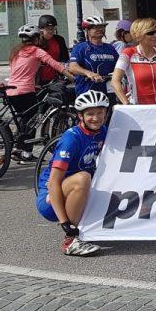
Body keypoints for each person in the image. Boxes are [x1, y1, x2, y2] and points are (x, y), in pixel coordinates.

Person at [35, 91, 109, 257]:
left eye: (100, 113)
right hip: (52, 197)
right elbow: (53, 182)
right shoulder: (71, 139)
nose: (96, 118)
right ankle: (70, 240)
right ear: (80, 116)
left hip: (77, 191)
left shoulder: (103, 132)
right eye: (90, 114)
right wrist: (65, 223)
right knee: (83, 178)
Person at [7, 24, 74, 162]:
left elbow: (19, 71)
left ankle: (17, 148)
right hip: (25, 91)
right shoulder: (37, 51)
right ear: (37, 38)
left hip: (11, 90)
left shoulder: (16, 51)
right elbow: (55, 64)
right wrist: (72, 77)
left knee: (24, 120)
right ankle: (26, 153)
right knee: (32, 120)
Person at [112, 17, 156, 105]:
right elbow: (115, 81)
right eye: (150, 33)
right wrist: (127, 104)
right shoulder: (128, 53)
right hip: (138, 108)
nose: (155, 36)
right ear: (139, 35)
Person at [67, 17, 117, 99]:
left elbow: (119, 66)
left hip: (109, 92)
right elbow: (72, 67)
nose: (100, 29)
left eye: (102, 27)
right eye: (96, 27)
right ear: (87, 30)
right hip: (87, 91)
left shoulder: (110, 48)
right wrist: (89, 73)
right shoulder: (81, 47)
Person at [36, 14, 70, 85]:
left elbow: (65, 58)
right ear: (41, 29)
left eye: (53, 29)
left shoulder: (59, 40)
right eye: (48, 29)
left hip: (56, 77)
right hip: (39, 77)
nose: (51, 31)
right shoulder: (36, 41)